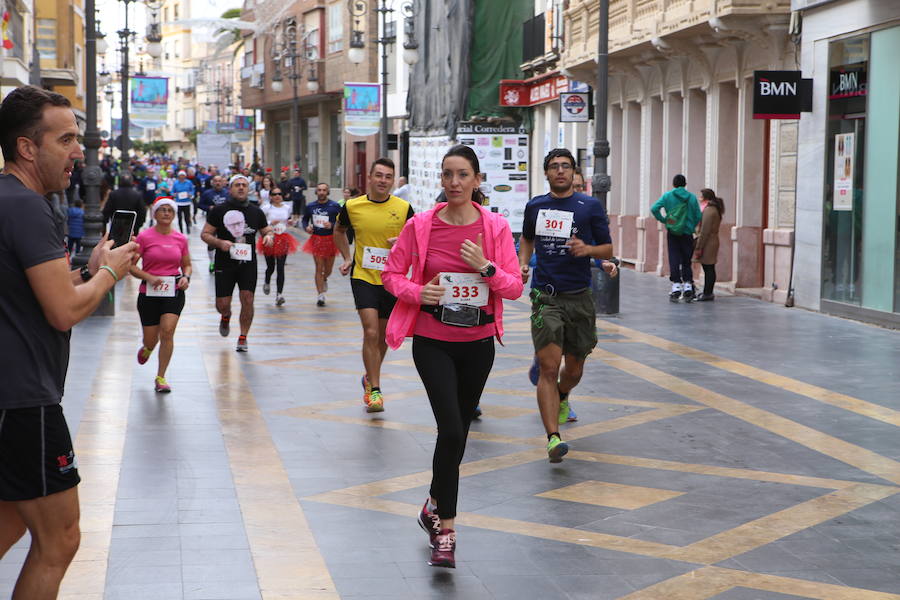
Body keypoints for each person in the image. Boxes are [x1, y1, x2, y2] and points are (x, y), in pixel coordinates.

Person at [0, 85, 139, 600]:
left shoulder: (8, 200)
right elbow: (63, 312)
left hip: (13, 397)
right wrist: (110, 277)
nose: (79, 152)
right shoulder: (29, 208)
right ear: (27, 148)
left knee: (13, 524)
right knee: (60, 538)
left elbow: (33, 292)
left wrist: (89, 270)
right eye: (67, 140)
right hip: (25, 401)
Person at [383, 145, 523, 569]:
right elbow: (390, 274)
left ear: (477, 180)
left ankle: (432, 503)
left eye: (463, 175)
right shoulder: (421, 226)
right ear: (441, 181)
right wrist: (417, 292)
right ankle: (446, 529)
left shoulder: (495, 227)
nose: (455, 183)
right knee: (450, 427)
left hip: (478, 344)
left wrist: (486, 268)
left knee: (458, 433)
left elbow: (514, 286)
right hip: (433, 341)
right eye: (448, 175)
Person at [519, 148, 613, 462]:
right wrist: (523, 264)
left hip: (580, 297)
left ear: (574, 173)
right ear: (546, 173)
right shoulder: (536, 205)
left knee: (573, 368)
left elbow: (607, 247)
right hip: (546, 296)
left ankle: (562, 394)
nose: (560, 171)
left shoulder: (589, 207)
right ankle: (552, 438)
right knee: (548, 367)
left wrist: (589, 250)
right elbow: (527, 239)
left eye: (566, 166)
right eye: (554, 167)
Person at [334, 158, 413, 412]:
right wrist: (347, 257)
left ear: (393, 180)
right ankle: (376, 391)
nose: (383, 180)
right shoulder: (352, 206)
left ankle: (369, 376)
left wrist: (401, 242)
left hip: (392, 280)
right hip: (364, 276)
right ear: (369, 177)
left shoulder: (404, 208)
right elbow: (338, 230)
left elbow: (416, 240)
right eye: (378, 175)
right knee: (370, 332)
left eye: (388, 176)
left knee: (384, 338)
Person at [201, 174, 274, 352]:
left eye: (244, 185)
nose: (241, 187)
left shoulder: (256, 211)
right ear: (230, 188)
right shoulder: (219, 210)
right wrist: (219, 243)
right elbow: (205, 234)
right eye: (237, 185)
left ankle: (243, 336)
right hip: (225, 262)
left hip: (248, 263)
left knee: (247, 299)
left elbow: (266, 230)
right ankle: (225, 316)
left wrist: (269, 237)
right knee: (222, 304)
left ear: (248, 189)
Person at [131, 198, 192, 392]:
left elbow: (187, 265)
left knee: (167, 331)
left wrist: (186, 277)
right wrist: (148, 277)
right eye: (162, 210)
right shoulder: (144, 237)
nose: (166, 213)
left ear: (174, 215)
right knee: (151, 339)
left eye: (170, 211)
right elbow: (131, 266)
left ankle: (161, 377)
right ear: (155, 214)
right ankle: (148, 348)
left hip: (173, 290)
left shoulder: (180, 239)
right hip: (148, 293)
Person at [651, 174, 702, 302]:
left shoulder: (668, 196)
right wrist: (691, 225)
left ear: (674, 184)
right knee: (686, 259)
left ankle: (676, 285)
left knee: (674, 257)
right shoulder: (691, 197)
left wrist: (664, 220)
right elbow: (698, 215)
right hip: (687, 233)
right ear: (685, 184)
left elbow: (654, 208)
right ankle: (688, 285)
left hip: (673, 232)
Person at [301, 183, 342, 306]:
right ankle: (320, 295)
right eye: (319, 190)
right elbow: (304, 220)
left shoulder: (335, 206)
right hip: (317, 239)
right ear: (316, 192)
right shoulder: (311, 206)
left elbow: (342, 222)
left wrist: (333, 225)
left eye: (324, 190)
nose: (321, 192)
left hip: (331, 240)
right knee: (319, 267)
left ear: (328, 192)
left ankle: (325, 278)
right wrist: (306, 227)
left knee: (328, 269)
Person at [258, 186, 298, 306]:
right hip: (270, 238)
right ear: (270, 196)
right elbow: (260, 222)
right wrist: (270, 223)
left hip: (283, 238)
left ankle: (279, 294)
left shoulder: (287, 207)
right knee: (271, 267)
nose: (277, 196)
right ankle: (267, 281)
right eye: (274, 194)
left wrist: (290, 222)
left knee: (280, 267)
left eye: (279, 194)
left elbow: (288, 219)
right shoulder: (266, 208)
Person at [693, 188, 724, 301]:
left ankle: (708, 293)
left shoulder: (709, 211)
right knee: (709, 267)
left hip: (708, 243)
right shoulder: (713, 209)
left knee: (708, 268)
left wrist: (699, 247)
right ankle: (707, 292)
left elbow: (704, 231)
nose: (699, 199)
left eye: (701, 196)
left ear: (706, 198)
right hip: (711, 241)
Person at [198, 175, 230, 272]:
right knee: (211, 242)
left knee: (226, 241)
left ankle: (225, 261)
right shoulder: (207, 193)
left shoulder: (227, 193)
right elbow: (200, 204)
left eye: (219, 181)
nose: (218, 183)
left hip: (226, 222)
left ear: (223, 182)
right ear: (212, 182)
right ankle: (212, 262)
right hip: (212, 222)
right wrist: (208, 208)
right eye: (215, 181)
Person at [172, 170, 196, 234]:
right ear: (178, 176)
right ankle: (181, 230)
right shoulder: (176, 183)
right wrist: (174, 194)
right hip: (178, 202)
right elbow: (172, 191)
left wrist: (190, 194)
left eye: (183, 176)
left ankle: (187, 226)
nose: (182, 177)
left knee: (187, 216)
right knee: (179, 217)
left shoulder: (189, 182)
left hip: (186, 202)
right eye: (180, 176)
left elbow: (192, 190)